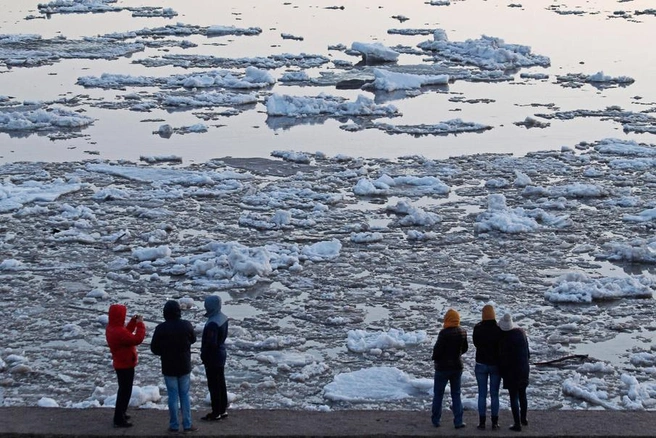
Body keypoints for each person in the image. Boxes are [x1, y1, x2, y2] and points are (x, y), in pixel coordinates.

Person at [151, 300, 198, 432]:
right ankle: (187, 424)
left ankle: (174, 425)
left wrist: (164, 352)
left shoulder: (160, 328)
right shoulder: (186, 325)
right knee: (184, 395)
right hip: (184, 365)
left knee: (172, 395)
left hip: (168, 366)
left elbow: (154, 348)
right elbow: (193, 339)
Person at [105, 304, 146, 428]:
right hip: (125, 364)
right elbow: (136, 339)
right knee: (125, 391)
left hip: (121, 363)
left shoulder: (113, 328)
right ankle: (119, 418)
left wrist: (133, 322)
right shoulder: (118, 331)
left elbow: (126, 333)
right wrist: (140, 324)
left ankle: (121, 413)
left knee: (123, 390)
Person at [431, 308, 468, 429]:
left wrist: (435, 358)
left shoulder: (444, 333)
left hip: (442, 368)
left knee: (438, 394)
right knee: (456, 394)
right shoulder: (462, 331)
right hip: (457, 367)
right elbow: (465, 348)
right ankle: (458, 421)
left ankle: (436, 420)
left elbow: (437, 350)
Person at [498, 313, 530, 432]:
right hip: (523, 369)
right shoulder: (522, 333)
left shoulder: (505, 338)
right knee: (523, 394)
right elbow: (527, 353)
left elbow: (503, 358)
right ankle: (524, 418)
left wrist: (502, 371)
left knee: (513, 397)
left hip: (511, 372)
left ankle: (517, 424)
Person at [473, 304, 503, 430]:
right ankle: (495, 422)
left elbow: (475, 343)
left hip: (481, 364)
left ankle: (482, 422)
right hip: (495, 365)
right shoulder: (498, 329)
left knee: (482, 394)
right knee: (495, 394)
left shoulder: (478, 328)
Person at [200, 295, 229, 421]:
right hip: (221, 354)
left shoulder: (212, 323)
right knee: (221, 382)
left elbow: (211, 343)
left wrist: (204, 355)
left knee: (214, 384)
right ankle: (222, 409)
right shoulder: (223, 318)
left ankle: (216, 411)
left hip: (213, 357)